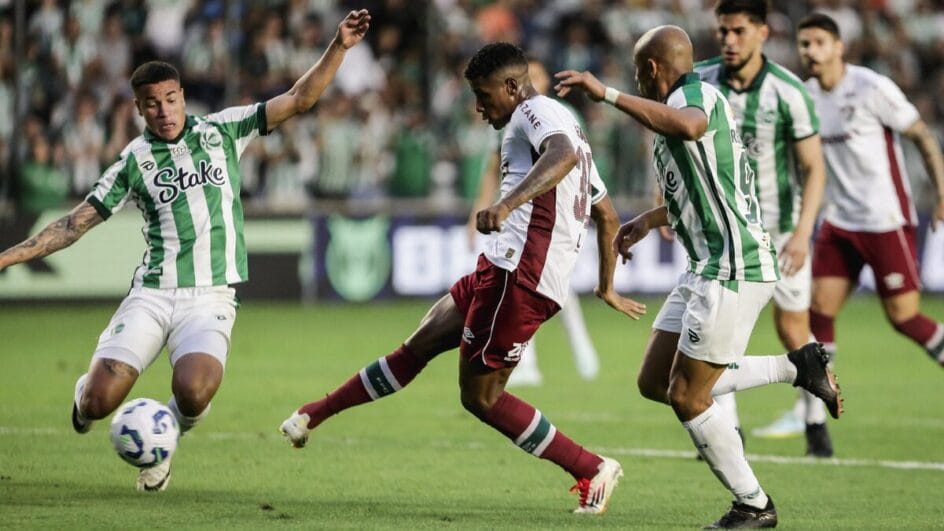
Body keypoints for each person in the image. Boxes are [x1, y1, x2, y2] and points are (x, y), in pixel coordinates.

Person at [0, 9, 372, 492]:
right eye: (152, 103)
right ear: (139, 108)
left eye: (171, 99)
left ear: (182, 97)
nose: (164, 110)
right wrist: (6, 258)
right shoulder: (133, 161)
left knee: (194, 392)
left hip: (210, 296)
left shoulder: (223, 130)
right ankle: (84, 395)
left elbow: (300, 99)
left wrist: (338, 46)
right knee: (96, 404)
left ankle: (165, 442)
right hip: (153, 293)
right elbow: (75, 223)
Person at [280, 42, 647, 514]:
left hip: (521, 276)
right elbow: (608, 215)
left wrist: (506, 203)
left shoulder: (535, 112)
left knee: (482, 397)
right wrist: (606, 285)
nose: (478, 106)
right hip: (503, 268)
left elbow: (562, 157)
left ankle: (591, 468)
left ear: (512, 87)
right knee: (419, 344)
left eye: (483, 93)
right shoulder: (564, 124)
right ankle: (315, 413)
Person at [555, 25, 842, 527]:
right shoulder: (679, 115)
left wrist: (607, 93)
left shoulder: (696, 94)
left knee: (688, 395)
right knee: (654, 381)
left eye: (637, 71)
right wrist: (648, 219)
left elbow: (687, 127)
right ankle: (797, 367)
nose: (636, 79)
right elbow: (709, 191)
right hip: (704, 264)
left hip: (734, 265)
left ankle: (753, 504)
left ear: (649, 70)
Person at [694, 0, 832, 457]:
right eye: (723, 32)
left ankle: (816, 423)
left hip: (780, 230)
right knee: (721, 334)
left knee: (794, 328)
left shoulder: (788, 91)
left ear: (762, 33)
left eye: (738, 31)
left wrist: (802, 232)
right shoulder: (700, 81)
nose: (729, 41)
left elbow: (814, 167)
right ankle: (726, 431)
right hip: (722, 234)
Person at [796, 15, 944, 383]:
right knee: (819, 309)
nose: (811, 51)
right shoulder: (804, 96)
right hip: (839, 220)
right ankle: (817, 402)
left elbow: (922, 136)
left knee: (904, 317)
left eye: (818, 42)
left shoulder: (871, 88)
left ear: (838, 47)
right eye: (804, 44)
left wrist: (942, 192)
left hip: (884, 219)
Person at [466, 58, 600, 387]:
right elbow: (491, 170)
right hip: (516, 222)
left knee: (548, 288)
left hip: (552, 221)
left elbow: (575, 163)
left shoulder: (560, 115)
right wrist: (480, 210)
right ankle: (530, 362)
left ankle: (579, 352)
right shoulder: (506, 122)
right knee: (524, 288)